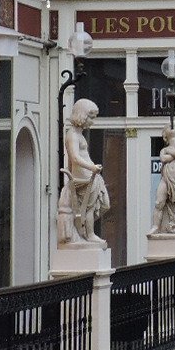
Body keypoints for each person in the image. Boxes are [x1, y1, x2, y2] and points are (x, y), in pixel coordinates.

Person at [58, 99, 111, 245]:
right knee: (89, 207)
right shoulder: (72, 135)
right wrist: (91, 168)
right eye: (91, 117)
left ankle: (83, 229)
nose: (92, 122)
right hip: (84, 177)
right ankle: (89, 234)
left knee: (104, 204)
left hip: (90, 175)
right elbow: (74, 157)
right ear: (82, 115)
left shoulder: (79, 134)